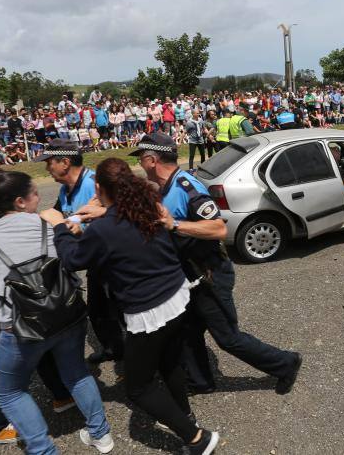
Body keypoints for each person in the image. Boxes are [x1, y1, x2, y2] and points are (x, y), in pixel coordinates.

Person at [43, 158, 220, 455]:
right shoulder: (146, 206)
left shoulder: (105, 229)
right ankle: (184, 414)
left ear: (99, 187)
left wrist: (61, 226)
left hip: (148, 310)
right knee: (169, 361)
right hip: (177, 296)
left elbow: (73, 259)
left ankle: (196, 438)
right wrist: (96, 214)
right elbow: (120, 223)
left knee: (137, 387)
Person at [111, 133, 302, 395]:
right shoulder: (164, 187)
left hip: (210, 274)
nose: (140, 166)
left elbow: (217, 229)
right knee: (188, 331)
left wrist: (175, 225)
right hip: (190, 275)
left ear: (151, 159)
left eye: (141, 160)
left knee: (228, 338)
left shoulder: (187, 188)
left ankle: (285, 363)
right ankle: (201, 381)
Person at [0, 171, 114, 455]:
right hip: (68, 315)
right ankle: (100, 433)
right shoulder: (48, 226)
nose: (38, 198)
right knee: (77, 373)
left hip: (21, 329)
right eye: (34, 193)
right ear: (20, 201)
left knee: (9, 391)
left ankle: (43, 450)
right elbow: (71, 262)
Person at [0, 166, 76, 446]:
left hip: (21, 307)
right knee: (14, 376)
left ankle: (61, 395)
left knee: (40, 352)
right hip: (0, 315)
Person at [33, 139, 124, 364]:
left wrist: (77, 226)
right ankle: (114, 349)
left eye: (49, 163)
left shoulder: (97, 184)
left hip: (114, 264)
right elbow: (56, 217)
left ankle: (138, 361)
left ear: (65, 162)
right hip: (94, 262)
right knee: (97, 311)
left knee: (122, 312)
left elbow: (121, 220)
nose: (47, 168)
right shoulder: (65, 190)